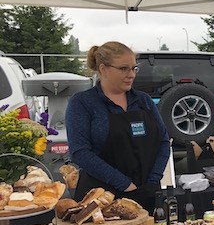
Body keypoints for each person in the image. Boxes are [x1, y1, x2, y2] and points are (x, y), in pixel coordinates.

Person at [66, 42, 170, 213]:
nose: (131, 75)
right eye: (124, 69)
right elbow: (80, 152)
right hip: (101, 200)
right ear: (104, 69)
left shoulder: (143, 101)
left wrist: (153, 180)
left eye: (134, 68)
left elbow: (164, 141)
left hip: (147, 195)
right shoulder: (83, 103)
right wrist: (124, 183)